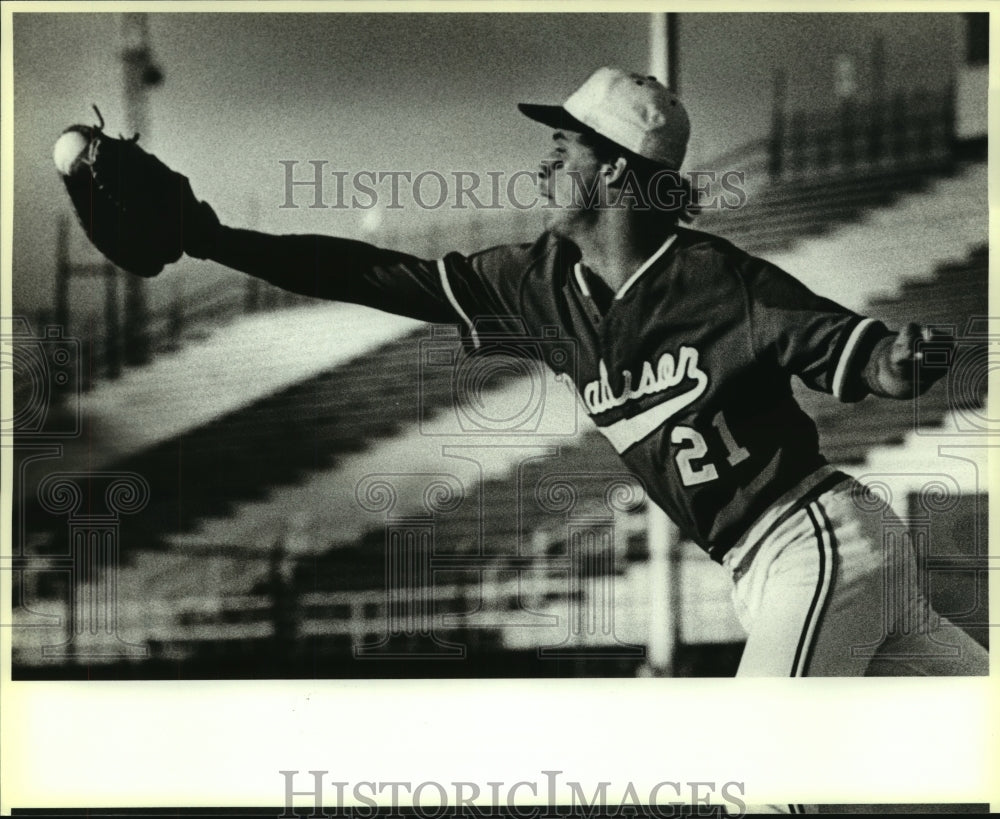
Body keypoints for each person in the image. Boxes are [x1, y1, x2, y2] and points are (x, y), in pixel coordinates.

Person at [174, 66, 986, 677]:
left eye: (562, 150)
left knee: (764, 777)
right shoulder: (537, 284)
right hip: (773, 564)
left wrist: (895, 359)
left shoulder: (715, 278)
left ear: (620, 173)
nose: (542, 169)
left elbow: (858, 354)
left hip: (813, 540)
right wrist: (212, 239)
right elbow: (375, 275)